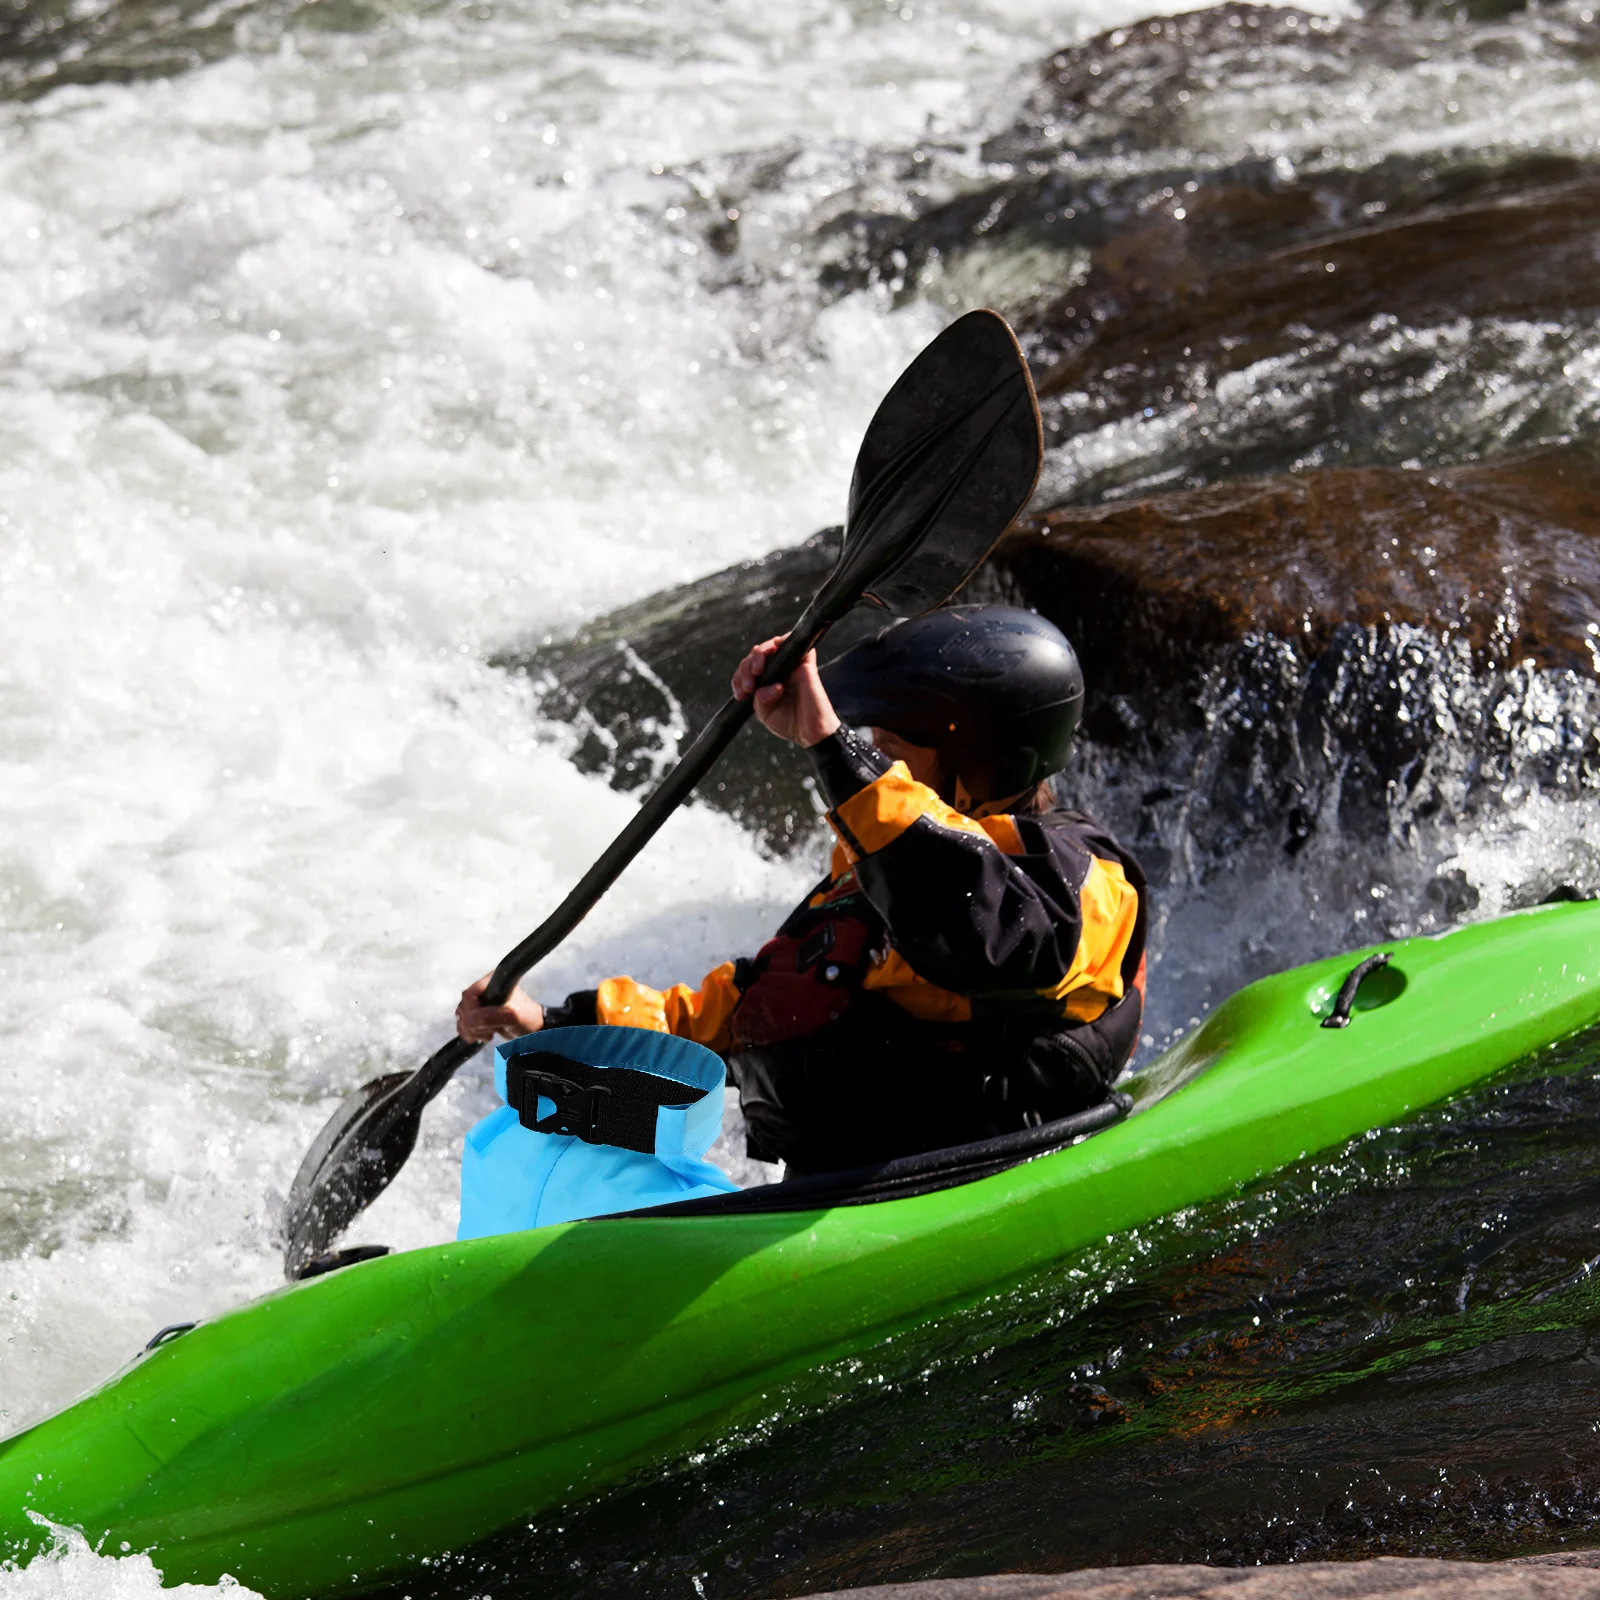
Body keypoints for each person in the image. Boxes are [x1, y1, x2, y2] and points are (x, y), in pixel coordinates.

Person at [456, 605, 1148, 1177]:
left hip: (990, 1168)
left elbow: (983, 929)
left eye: (892, 746)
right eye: (869, 743)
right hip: (849, 1184)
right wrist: (548, 1024)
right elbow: (728, 1016)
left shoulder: (1078, 882)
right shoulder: (875, 872)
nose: (874, 758)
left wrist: (830, 743)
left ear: (983, 760)